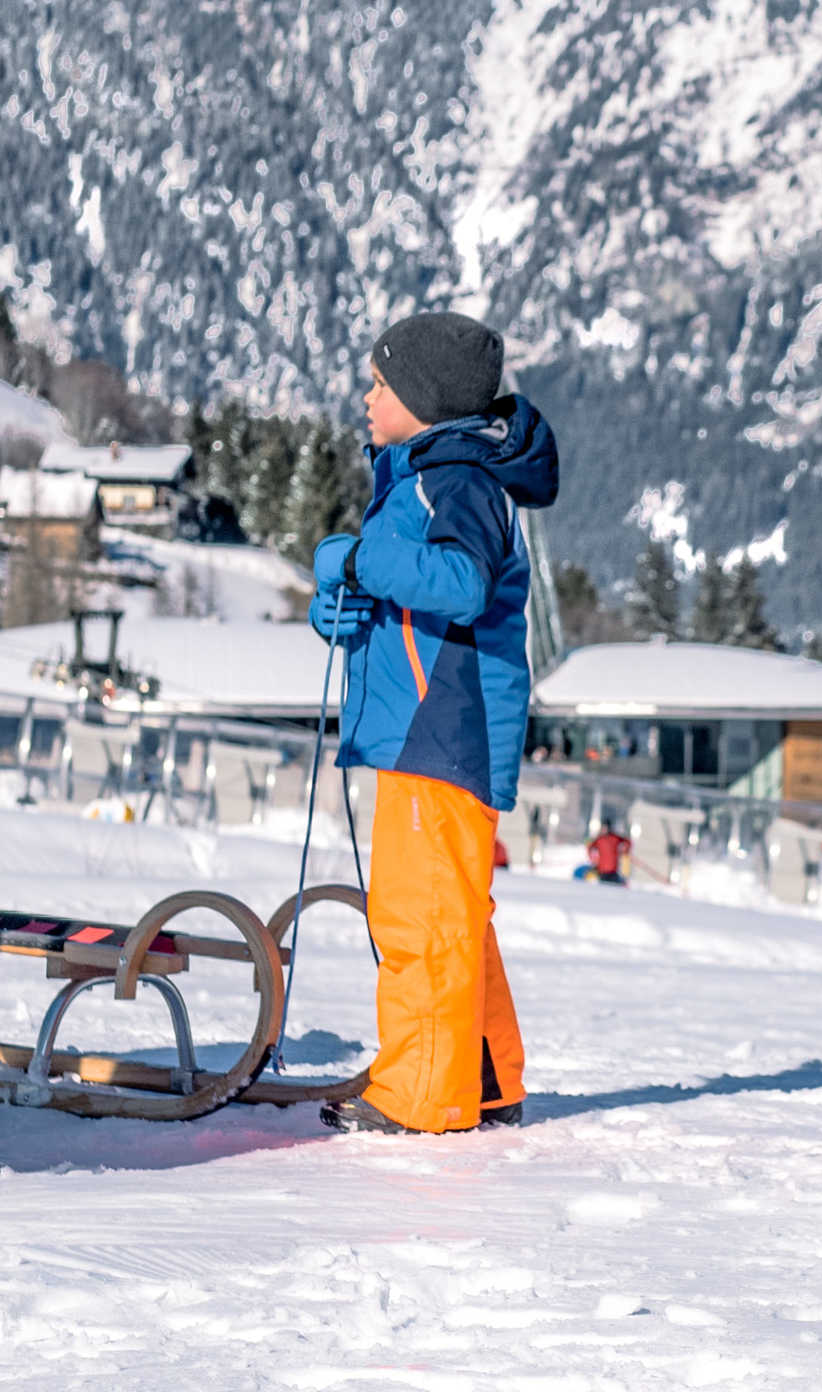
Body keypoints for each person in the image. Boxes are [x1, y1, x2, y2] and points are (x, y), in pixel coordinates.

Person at [308, 312, 560, 1135]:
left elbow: (459, 583)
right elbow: (417, 594)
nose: (367, 397)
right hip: (426, 725)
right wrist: (345, 611)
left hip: (442, 728)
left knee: (420, 915)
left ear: (425, 398)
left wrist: (358, 558)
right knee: (453, 914)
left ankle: (421, 1095)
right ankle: (482, 1080)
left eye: (380, 383)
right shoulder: (428, 476)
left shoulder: (458, 481)